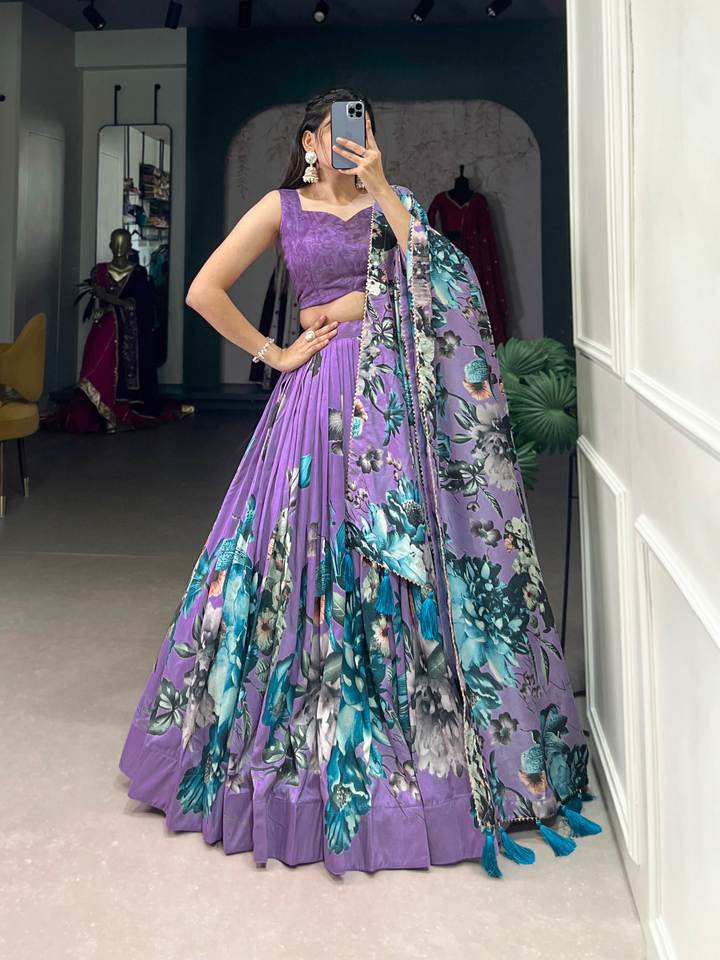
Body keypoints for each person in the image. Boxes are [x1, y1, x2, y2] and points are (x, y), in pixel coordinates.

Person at [118, 87, 600, 878]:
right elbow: (204, 289)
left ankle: (429, 732)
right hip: (314, 404)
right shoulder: (282, 207)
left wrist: (378, 192)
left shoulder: (393, 200)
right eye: (341, 130)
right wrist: (274, 353)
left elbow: (442, 279)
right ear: (310, 141)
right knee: (299, 554)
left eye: (366, 127)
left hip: (391, 404)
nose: (354, 138)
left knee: (400, 556)